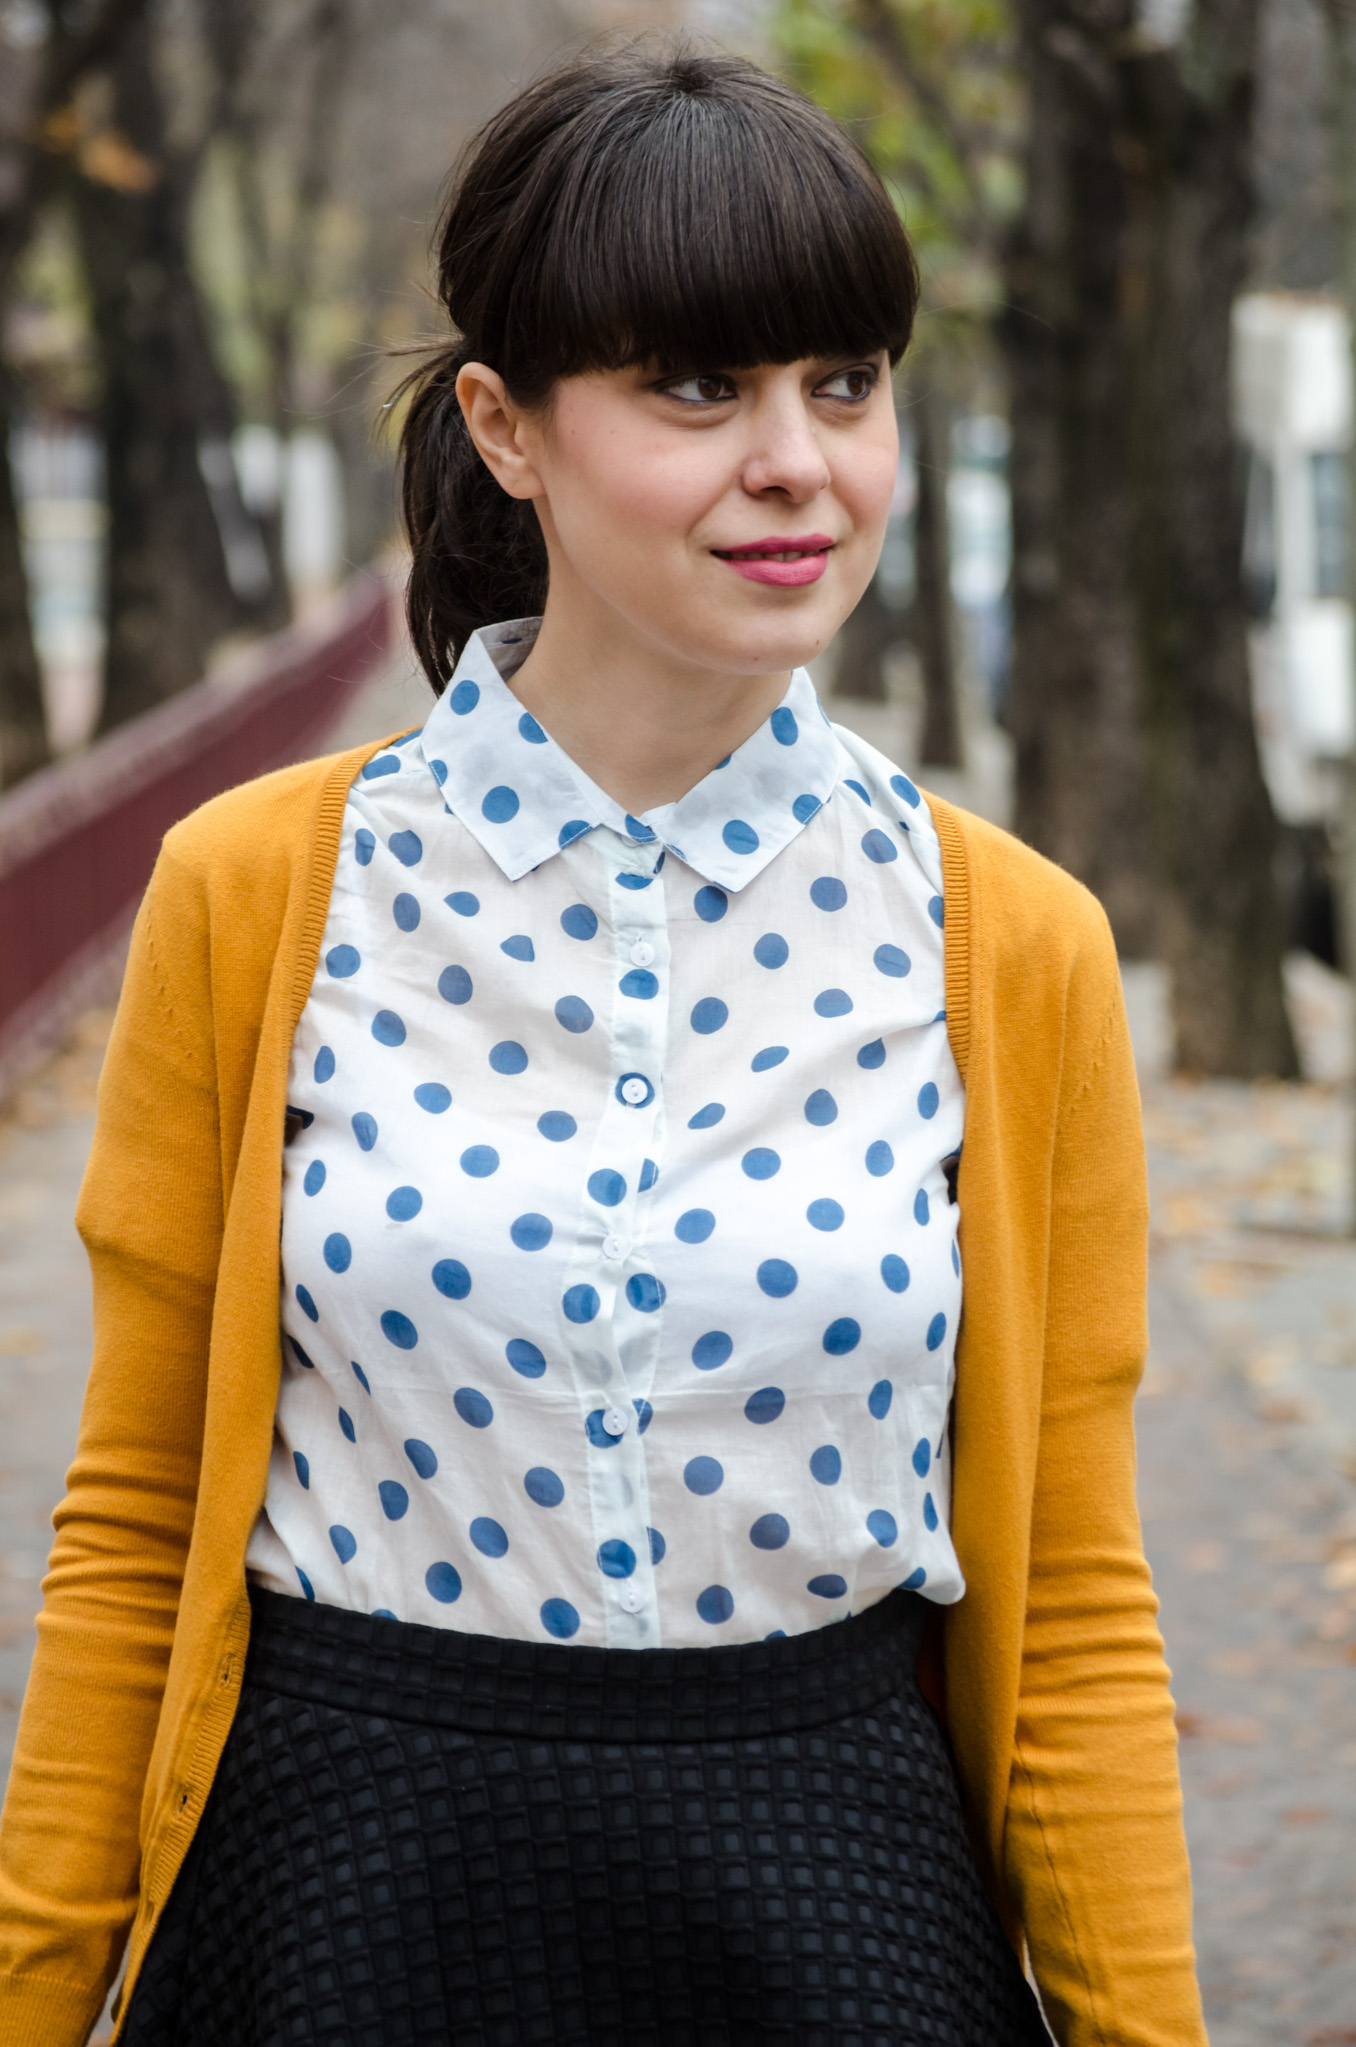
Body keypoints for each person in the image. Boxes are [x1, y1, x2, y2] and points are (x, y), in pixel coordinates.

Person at [0, 42, 1205, 2047]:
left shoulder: (1012, 943)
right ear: (508, 428)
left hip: (836, 1906)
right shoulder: (259, 892)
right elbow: (133, 1519)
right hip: (338, 1902)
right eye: (698, 386)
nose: (799, 462)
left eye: (847, 383)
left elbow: (1068, 1591)